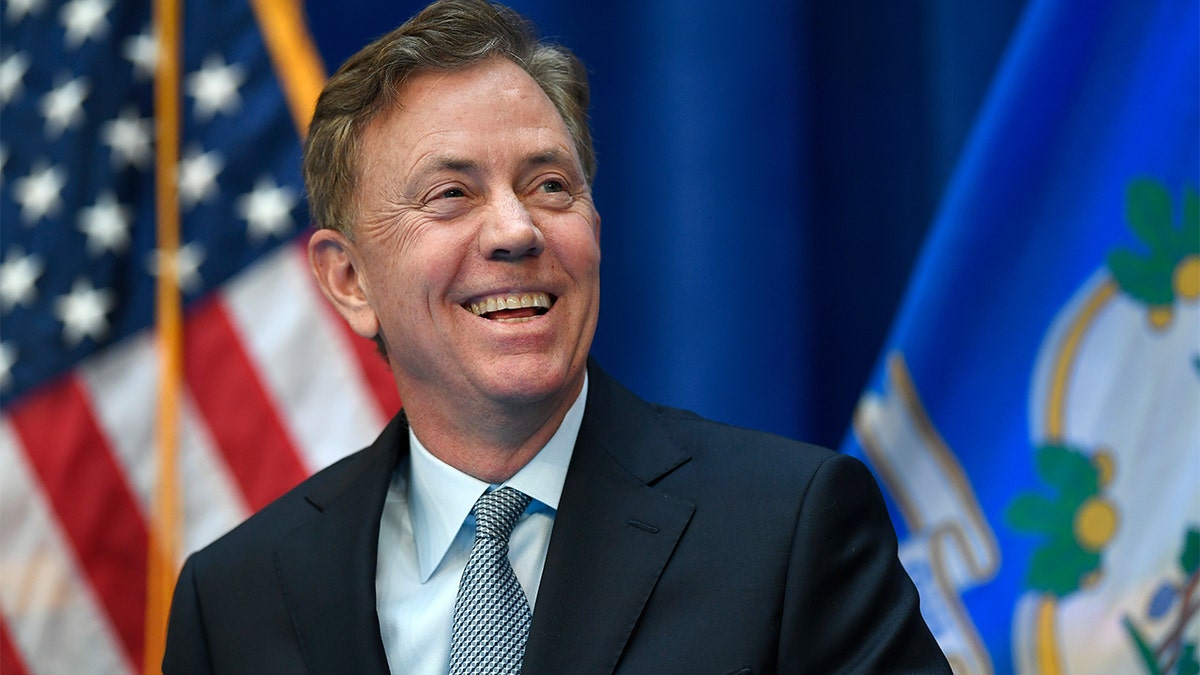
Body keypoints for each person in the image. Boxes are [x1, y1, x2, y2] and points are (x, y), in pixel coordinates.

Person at [163, 0, 951, 672]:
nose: (515, 229)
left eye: (549, 185)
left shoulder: (789, 527)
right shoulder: (234, 597)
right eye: (451, 194)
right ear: (348, 280)